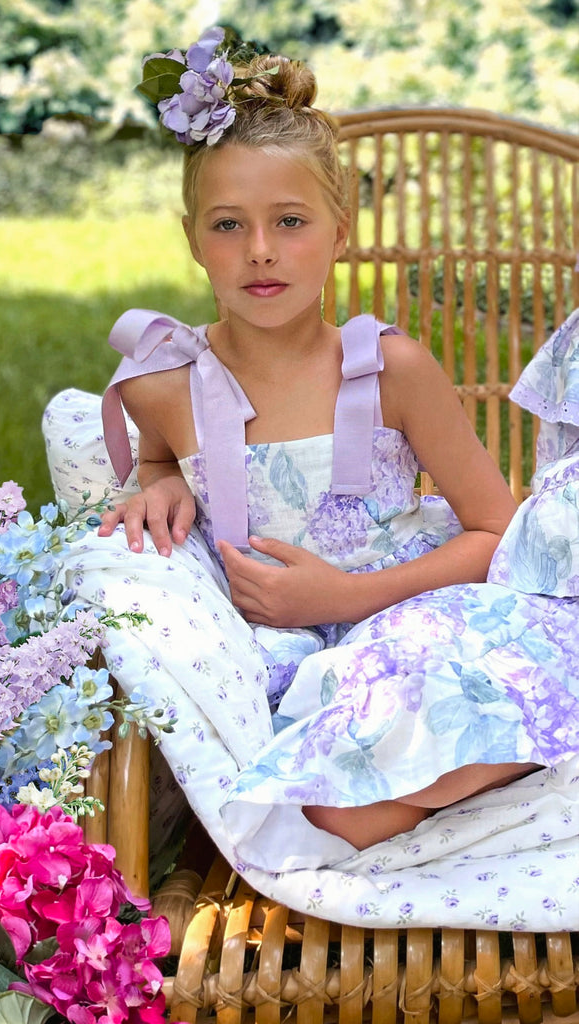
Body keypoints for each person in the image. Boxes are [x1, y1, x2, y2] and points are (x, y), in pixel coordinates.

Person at [95, 26, 577, 857]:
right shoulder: (162, 384)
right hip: (288, 661)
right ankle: (482, 771)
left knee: (372, 783)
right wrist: (157, 472)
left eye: (289, 221)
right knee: (330, 807)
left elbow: (500, 536)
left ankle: (514, 755)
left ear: (340, 230)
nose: (259, 251)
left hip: (416, 616)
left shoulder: (390, 368)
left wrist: (345, 601)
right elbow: (163, 454)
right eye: (226, 225)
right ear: (189, 237)